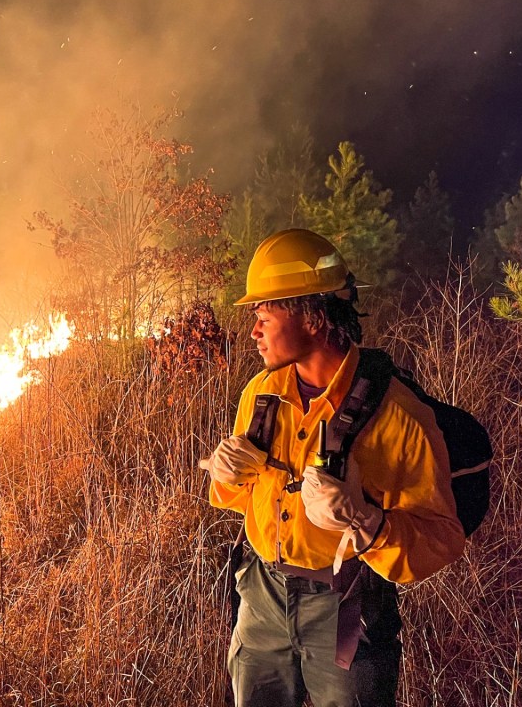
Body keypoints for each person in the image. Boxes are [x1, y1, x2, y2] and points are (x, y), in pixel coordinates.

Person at [199, 228, 465, 707]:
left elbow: (441, 538)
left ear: (315, 317)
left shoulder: (400, 418)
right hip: (261, 594)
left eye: (266, 312)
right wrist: (228, 477)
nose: (254, 329)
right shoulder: (260, 395)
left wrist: (366, 522)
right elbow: (243, 502)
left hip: (345, 610)